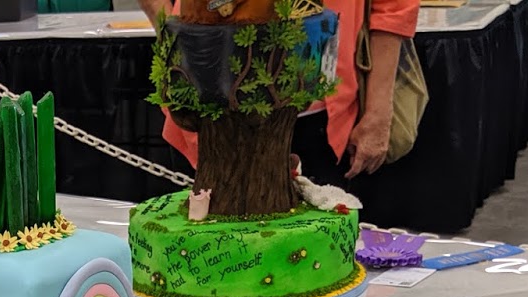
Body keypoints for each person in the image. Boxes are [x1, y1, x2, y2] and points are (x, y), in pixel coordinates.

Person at [138, 0, 419, 181]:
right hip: (208, 111)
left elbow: (394, 7)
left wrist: (378, 113)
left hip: (324, 118)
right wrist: (180, 36)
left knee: (313, 249)